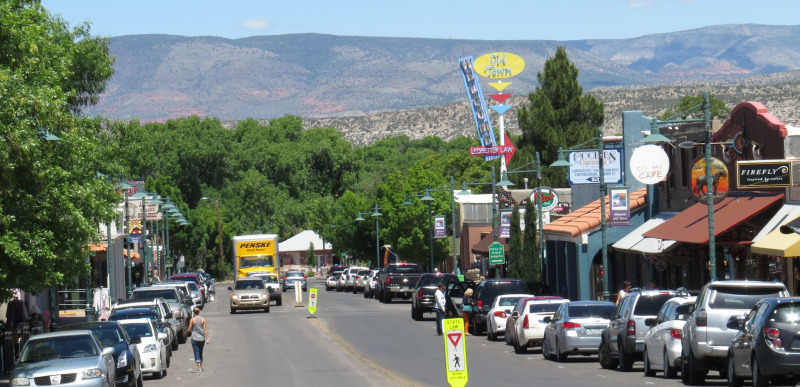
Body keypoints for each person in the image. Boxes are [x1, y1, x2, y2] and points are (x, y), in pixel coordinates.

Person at [184, 307, 209, 372]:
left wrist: (185, 333)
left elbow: (189, 329)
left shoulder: (192, 320)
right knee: (200, 352)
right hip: (202, 338)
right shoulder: (203, 319)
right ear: (199, 312)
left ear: (194, 312)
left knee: (196, 352)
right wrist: (207, 337)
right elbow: (205, 329)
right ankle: (200, 367)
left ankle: (199, 368)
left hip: (194, 338)